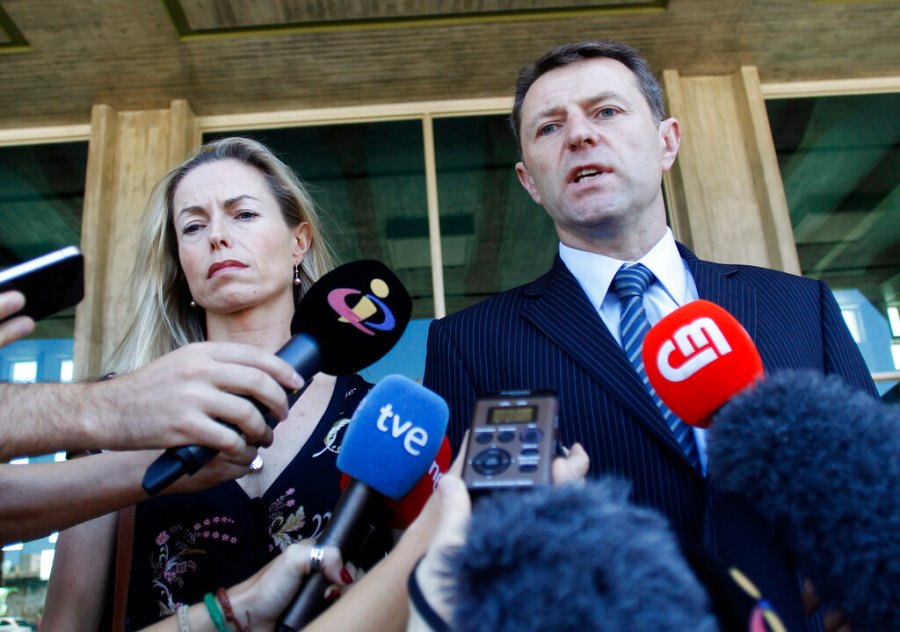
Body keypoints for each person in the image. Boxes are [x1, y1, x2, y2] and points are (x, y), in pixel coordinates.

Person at [422, 40, 877, 631]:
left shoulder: (797, 306)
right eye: (549, 128)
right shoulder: (470, 343)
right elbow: (469, 547)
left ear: (667, 142)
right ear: (528, 180)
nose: (580, 136)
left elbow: (876, 498)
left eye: (606, 112)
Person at [44, 137, 379, 630]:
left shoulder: (375, 414)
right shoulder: (119, 416)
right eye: (194, 226)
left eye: (243, 214)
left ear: (298, 242)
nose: (217, 237)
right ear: (181, 265)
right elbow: (66, 624)